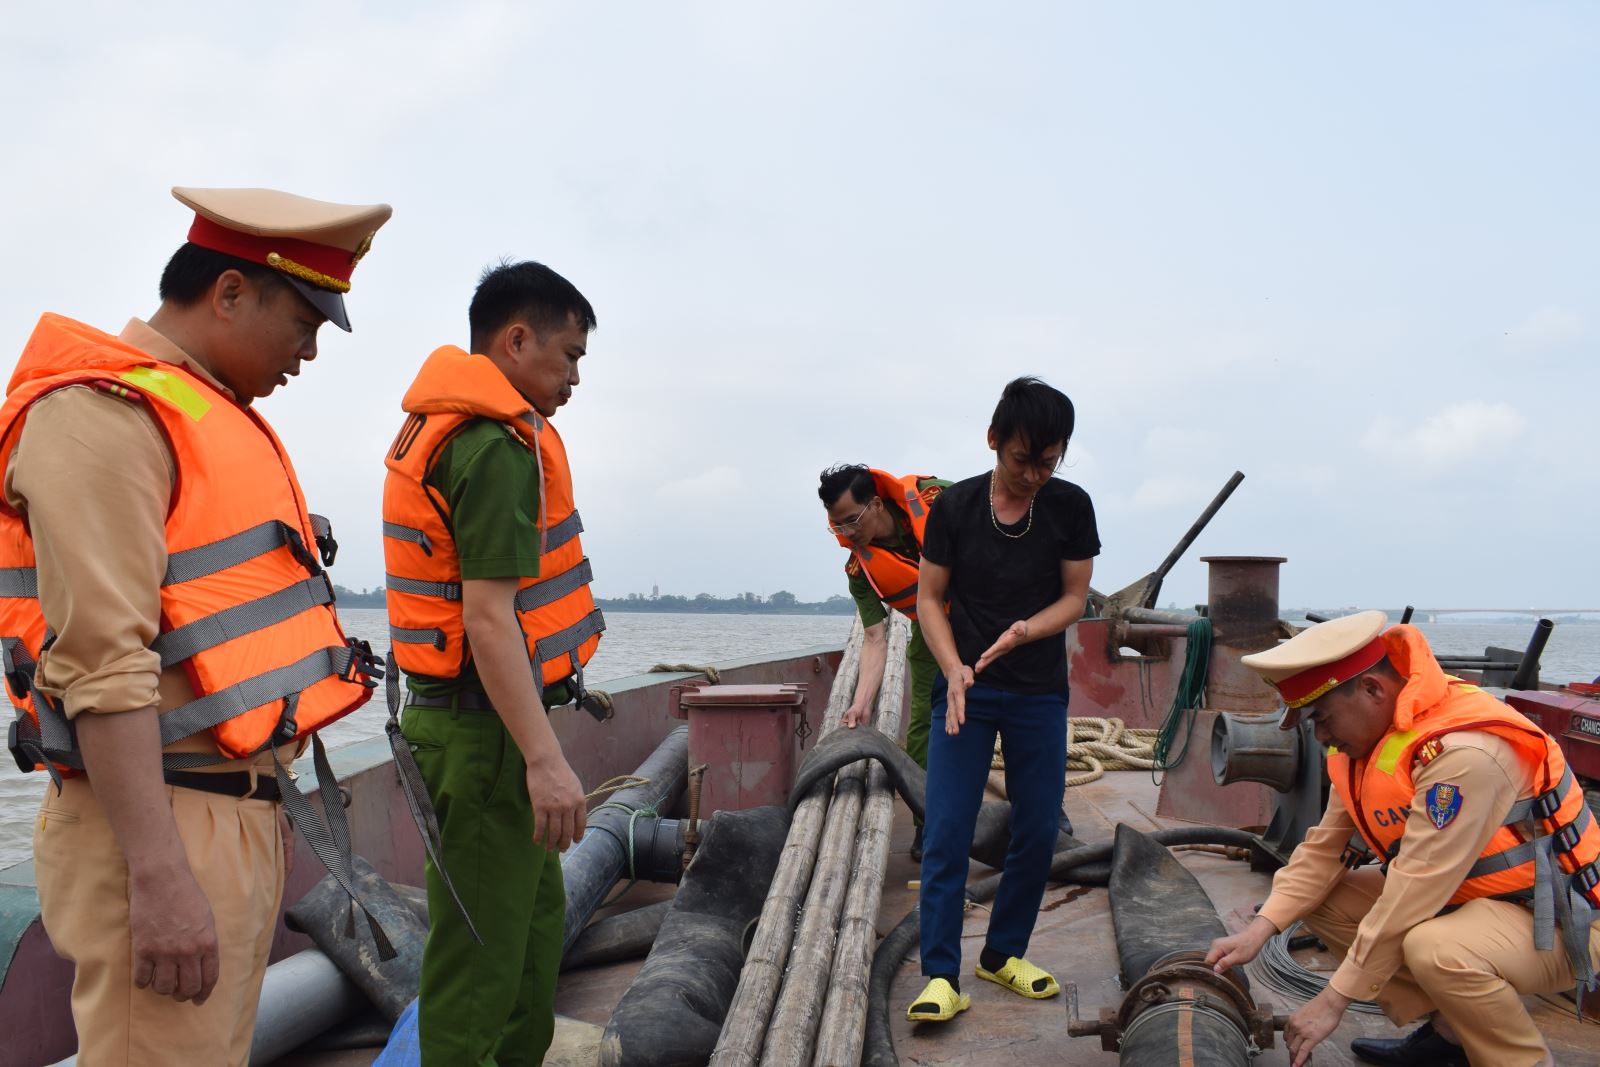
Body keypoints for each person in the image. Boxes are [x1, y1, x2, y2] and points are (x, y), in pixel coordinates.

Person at [0, 186, 392, 1065]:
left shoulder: (195, 413)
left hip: (230, 813)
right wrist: (160, 872)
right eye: (305, 321)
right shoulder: (102, 415)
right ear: (228, 292)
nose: (310, 351)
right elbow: (104, 664)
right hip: (162, 822)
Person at [1204, 610, 1600, 1067]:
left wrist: (1333, 1000)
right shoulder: (1372, 744)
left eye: (1323, 719)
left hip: (1562, 921)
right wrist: (1259, 930)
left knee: (1437, 950)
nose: (1322, 737)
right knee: (1323, 896)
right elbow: (1322, 852)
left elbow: (1414, 888)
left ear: (1373, 690)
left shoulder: (1463, 755)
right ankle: (1451, 1036)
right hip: (1473, 902)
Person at [382, 260, 604, 1066]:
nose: (576, 375)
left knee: (532, 939)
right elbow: (487, 616)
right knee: (478, 970)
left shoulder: (480, 431)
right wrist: (546, 759)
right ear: (516, 340)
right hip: (482, 739)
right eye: (569, 354)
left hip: (493, 727)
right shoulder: (492, 447)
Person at [907, 376, 1099, 1023]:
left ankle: (1003, 952)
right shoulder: (956, 508)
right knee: (948, 829)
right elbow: (930, 599)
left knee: (1040, 826)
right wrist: (955, 667)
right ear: (994, 441)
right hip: (966, 691)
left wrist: (1026, 629)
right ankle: (940, 974)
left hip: (1037, 692)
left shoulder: (1070, 507)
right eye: (1023, 460)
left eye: (1049, 462)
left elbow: (1075, 597)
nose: (1035, 475)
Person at [818, 464, 949, 859]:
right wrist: (862, 702)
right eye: (837, 527)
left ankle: (1047, 809)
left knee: (1013, 709)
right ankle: (928, 823)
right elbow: (875, 639)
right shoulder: (860, 570)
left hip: (989, 619)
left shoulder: (938, 500)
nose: (847, 533)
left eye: (852, 521)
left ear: (875, 503)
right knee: (925, 722)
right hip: (931, 634)